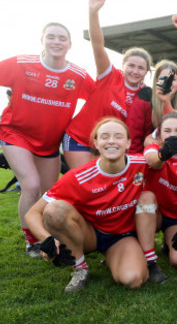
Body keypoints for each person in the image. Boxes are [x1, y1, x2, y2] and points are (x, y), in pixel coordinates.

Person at [0, 22, 94, 257]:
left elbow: (99, 98)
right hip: (16, 134)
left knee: (49, 194)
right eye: (51, 37)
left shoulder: (78, 75)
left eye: (62, 38)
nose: (56, 42)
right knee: (31, 186)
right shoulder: (22, 64)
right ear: (42, 40)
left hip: (49, 143)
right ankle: (32, 241)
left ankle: (50, 237)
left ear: (70, 44)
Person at [24, 118, 151, 292]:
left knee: (133, 279)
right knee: (55, 210)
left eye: (118, 136)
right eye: (105, 136)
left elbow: (163, 158)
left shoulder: (141, 164)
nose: (112, 141)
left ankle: (115, 257)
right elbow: (32, 213)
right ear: (96, 143)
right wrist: (47, 240)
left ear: (128, 143)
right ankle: (80, 268)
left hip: (121, 237)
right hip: (88, 234)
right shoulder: (78, 176)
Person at [64, 0, 152, 170]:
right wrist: (93, 12)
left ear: (146, 72)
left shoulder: (145, 95)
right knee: (85, 187)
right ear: (123, 66)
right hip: (79, 139)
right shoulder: (110, 75)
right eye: (131, 66)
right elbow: (97, 44)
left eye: (141, 68)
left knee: (103, 189)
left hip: (108, 147)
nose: (135, 71)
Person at [138, 113, 177, 275]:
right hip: (155, 213)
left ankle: (169, 242)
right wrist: (164, 154)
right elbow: (153, 161)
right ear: (159, 135)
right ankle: (146, 254)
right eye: (167, 130)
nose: (173, 134)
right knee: (145, 201)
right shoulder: (154, 148)